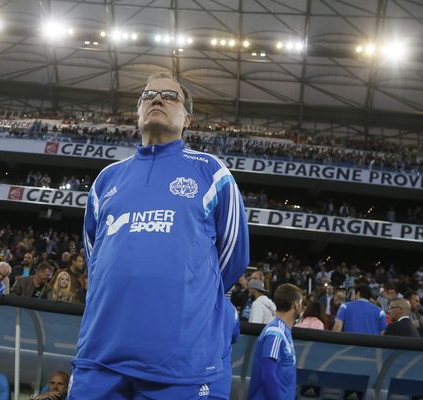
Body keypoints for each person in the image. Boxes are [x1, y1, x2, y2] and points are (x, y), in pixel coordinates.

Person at [70, 73, 249, 399]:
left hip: (178, 366)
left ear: (187, 119)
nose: (157, 99)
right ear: (138, 112)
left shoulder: (212, 173)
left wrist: (185, 294)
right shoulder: (106, 179)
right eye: (148, 94)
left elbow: (233, 258)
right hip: (100, 359)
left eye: (170, 95)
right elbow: (95, 258)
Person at [248, 283, 303, 400]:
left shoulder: (282, 330)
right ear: (296, 304)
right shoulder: (276, 332)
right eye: (301, 302)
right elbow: (268, 374)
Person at [209, 298, 240, 400]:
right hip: (221, 381)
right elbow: (235, 336)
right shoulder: (231, 307)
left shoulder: (195, 299)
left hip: (195, 380)